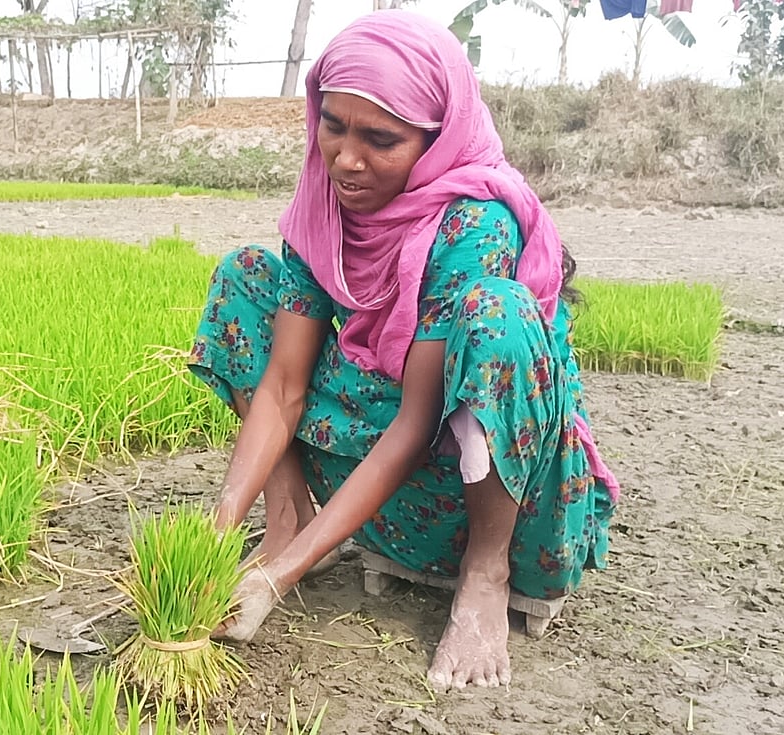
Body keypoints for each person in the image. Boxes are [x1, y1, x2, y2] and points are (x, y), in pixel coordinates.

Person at [187, 9, 619, 691]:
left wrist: (280, 579)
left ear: (435, 138)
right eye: (333, 125)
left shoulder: (475, 222)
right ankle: (289, 517)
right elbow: (283, 387)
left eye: (380, 138)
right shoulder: (322, 205)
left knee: (496, 314)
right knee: (245, 277)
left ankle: (484, 576)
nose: (346, 158)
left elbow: (418, 425)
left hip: (481, 489)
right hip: (379, 486)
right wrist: (211, 540)